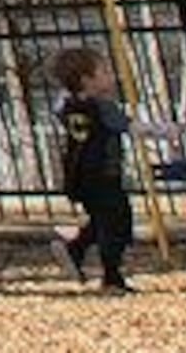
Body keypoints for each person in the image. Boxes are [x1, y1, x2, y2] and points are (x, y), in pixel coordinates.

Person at [47, 46, 135, 293]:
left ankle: (75, 248)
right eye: (104, 72)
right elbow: (129, 127)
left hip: (81, 174)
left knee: (103, 219)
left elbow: (59, 104)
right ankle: (111, 276)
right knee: (116, 223)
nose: (111, 76)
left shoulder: (68, 105)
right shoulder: (103, 107)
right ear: (88, 80)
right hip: (105, 172)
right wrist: (167, 130)